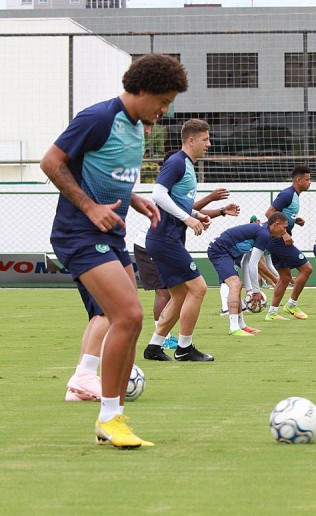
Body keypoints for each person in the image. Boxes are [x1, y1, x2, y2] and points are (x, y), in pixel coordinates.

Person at [42, 53, 187, 448]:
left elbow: (107, 172)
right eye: (163, 99)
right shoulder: (98, 118)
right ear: (140, 90)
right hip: (78, 234)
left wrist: (134, 199)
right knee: (128, 314)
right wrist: (89, 207)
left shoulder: (138, 128)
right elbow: (51, 162)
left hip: (111, 236)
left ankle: (113, 418)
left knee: (130, 318)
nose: (165, 108)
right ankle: (107, 415)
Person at [142, 119, 222, 362]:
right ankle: (184, 348)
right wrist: (188, 218)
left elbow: (177, 200)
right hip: (165, 239)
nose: (209, 144)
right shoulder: (177, 162)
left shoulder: (186, 164)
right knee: (198, 288)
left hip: (166, 238)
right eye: (205, 139)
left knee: (178, 295)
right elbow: (157, 193)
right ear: (191, 140)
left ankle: (154, 348)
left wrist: (196, 215)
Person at [134, 187, 237, 350]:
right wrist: (211, 199)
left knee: (179, 293)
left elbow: (191, 210)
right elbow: (188, 210)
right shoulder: (166, 192)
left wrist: (221, 211)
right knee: (164, 292)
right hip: (148, 246)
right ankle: (166, 339)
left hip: (163, 246)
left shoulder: (177, 191)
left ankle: (158, 342)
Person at [207, 213, 290, 337]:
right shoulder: (264, 234)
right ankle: (234, 327)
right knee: (235, 285)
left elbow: (246, 262)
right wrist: (256, 292)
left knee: (237, 285)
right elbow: (253, 264)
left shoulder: (263, 232)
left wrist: (250, 290)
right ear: (276, 224)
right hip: (219, 250)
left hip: (227, 253)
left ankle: (242, 326)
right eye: (284, 227)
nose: (285, 231)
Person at [263, 165, 313, 321]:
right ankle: (291, 304)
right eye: (307, 179)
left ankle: (271, 313)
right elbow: (269, 213)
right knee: (307, 268)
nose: (310, 182)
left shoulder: (295, 195)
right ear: (298, 180)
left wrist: (293, 220)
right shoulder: (287, 194)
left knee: (285, 277)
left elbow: (279, 215)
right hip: (278, 240)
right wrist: (284, 233)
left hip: (275, 240)